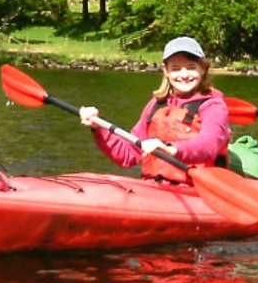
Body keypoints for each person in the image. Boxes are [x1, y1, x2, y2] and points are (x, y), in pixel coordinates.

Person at [78, 36, 231, 183]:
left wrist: (172, 150)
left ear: (203, 68)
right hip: (155, 188)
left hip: (196, 190)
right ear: (166, 70)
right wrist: (98, 127)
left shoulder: (213, 106)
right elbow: (127, 154)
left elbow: (209, 145)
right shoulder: (156, 105)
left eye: (191, 68)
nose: (184, 75)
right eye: (176, 69)